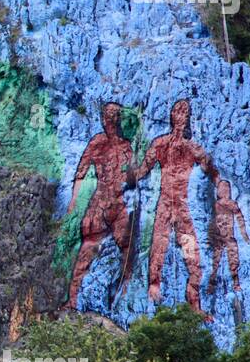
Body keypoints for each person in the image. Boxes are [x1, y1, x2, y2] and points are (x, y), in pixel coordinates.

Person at [130, 99, 217, 314]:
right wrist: (130, 172)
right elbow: (142, 171)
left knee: (192, 255)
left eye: (185, 111)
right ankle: (154, 284)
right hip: (165, 206)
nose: (181, 114)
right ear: (170, 115)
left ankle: (194, 301)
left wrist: (208, 162)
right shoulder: (160, 144)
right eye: (177, 110)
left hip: (182, 210)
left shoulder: (192, 148)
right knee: (159, 245)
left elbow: (210, 170)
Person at [66, 102, 134, 307]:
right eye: (108, 116)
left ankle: (123, 298)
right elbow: (80, 173)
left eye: (114, 116)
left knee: (126, 249)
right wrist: (74, 202)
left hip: (118, 203)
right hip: (103, 201)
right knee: (89, 247)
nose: (110, 121)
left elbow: (132, 177)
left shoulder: (126, 147)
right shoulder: (98, 142)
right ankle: (73, 298)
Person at [208, 178, 250, 293]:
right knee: (216, 260)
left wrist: (244, 234)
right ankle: (211, 283)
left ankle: (236, 283)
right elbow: (211, 221)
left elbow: (240, 218)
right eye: (222, 188)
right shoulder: (216, 205)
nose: (225, 191)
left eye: (226, 188)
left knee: (233, 260)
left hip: (228, 237)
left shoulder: (231, 204)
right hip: (219, 237)